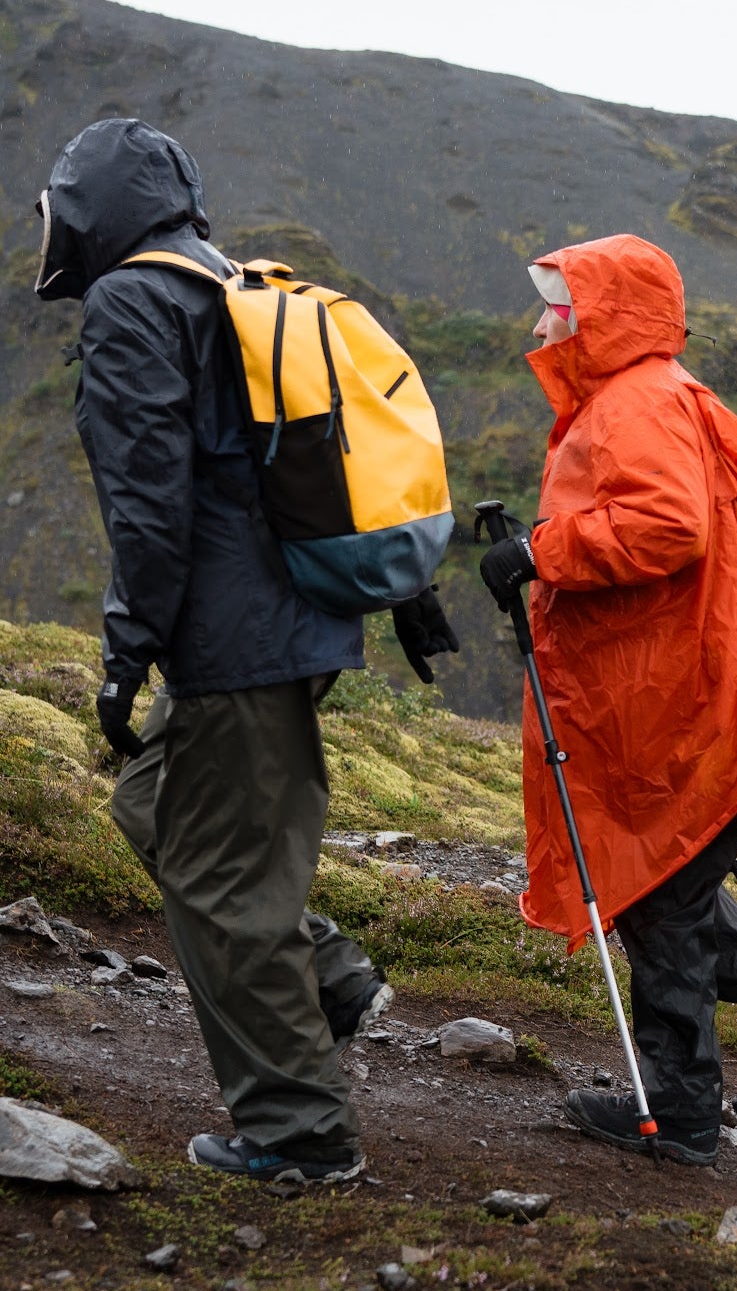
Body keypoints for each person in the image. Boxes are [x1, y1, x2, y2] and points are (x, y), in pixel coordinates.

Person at [35, 117, 459, 1185]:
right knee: (153, 809)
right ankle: (328, 976)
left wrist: (128, 648)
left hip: (231, 638)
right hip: (295, 619)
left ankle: (298, 1129)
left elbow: (150, 501)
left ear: (94, 206)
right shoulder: (226, 283)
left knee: (226, 885)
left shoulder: (135, 299)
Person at [478, 233, 737, 1165]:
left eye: (558, 307)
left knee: (661, 898)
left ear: (606, 316)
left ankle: (682, 1110)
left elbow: (665, 526)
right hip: (674, 684)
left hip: (672, 694)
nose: (541, 325)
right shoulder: (646, 395)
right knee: (665, 888)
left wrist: (541, 553)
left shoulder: (636, 400)